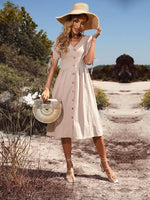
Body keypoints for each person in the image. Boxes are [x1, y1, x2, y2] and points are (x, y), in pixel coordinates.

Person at [41, 3, 118, 183]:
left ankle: (105, 165)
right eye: (76, 21)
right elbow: (53, 67)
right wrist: (46, 88)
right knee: (65, 127)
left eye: (82, 23)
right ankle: (69, 166)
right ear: (69, 22)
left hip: (83, 83)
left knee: (95, 126)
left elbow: (89, 61)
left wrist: (94, 40)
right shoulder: (59, 41)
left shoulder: (87, 40)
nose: (78, 25)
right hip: (64, 84)